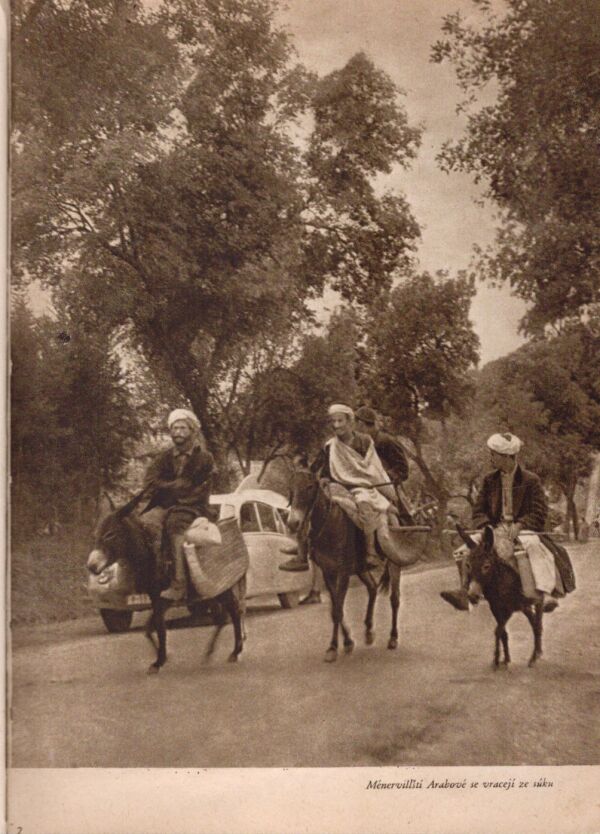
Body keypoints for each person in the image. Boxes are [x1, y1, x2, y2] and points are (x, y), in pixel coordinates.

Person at [440, 432, 559, 613]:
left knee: (533, 546)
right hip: (493, 529)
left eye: (494, 454)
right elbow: (478, 510)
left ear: (506, 457)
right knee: (462, 552)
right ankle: (466, 593)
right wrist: (486, 527)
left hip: (521, 528)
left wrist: (520, 525)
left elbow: (539, 511)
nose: (491, 458)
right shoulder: (489, 480)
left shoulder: (530, 480)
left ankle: (545, 593)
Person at [280, 403, 401, 572]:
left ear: (350, 421)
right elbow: (320, 468)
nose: (336, 425)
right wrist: (321, 479)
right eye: (333, 421)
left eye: (340, 421)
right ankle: (303, 549)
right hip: (338, 486)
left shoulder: (364, 441)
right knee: (313, 504)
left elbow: (371, 467)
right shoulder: (330, 445)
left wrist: (363, 481)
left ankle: (371, 551)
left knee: (364, 502)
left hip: (363, 486)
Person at [140, 408, 215, 601]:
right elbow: (150, 482)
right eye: (174, 428)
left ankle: (178, 583)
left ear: (192, 431)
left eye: (182, 428)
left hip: (192, 507)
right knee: (145, 523)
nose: (178, 432)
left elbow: (199, 487)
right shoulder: (164, 458)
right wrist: (173, 486)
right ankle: (154, 576)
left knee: (174, 525)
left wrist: (174, 493)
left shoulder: (204, 458)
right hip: (165, 506)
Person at [354, 406, 413, 523]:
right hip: (363, 487)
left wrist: (381, 477)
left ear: (361, 424)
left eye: (355, 425)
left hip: (385, 490)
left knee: (396, 518)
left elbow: (403, 470)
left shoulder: (386, 441)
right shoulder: (359, 443)